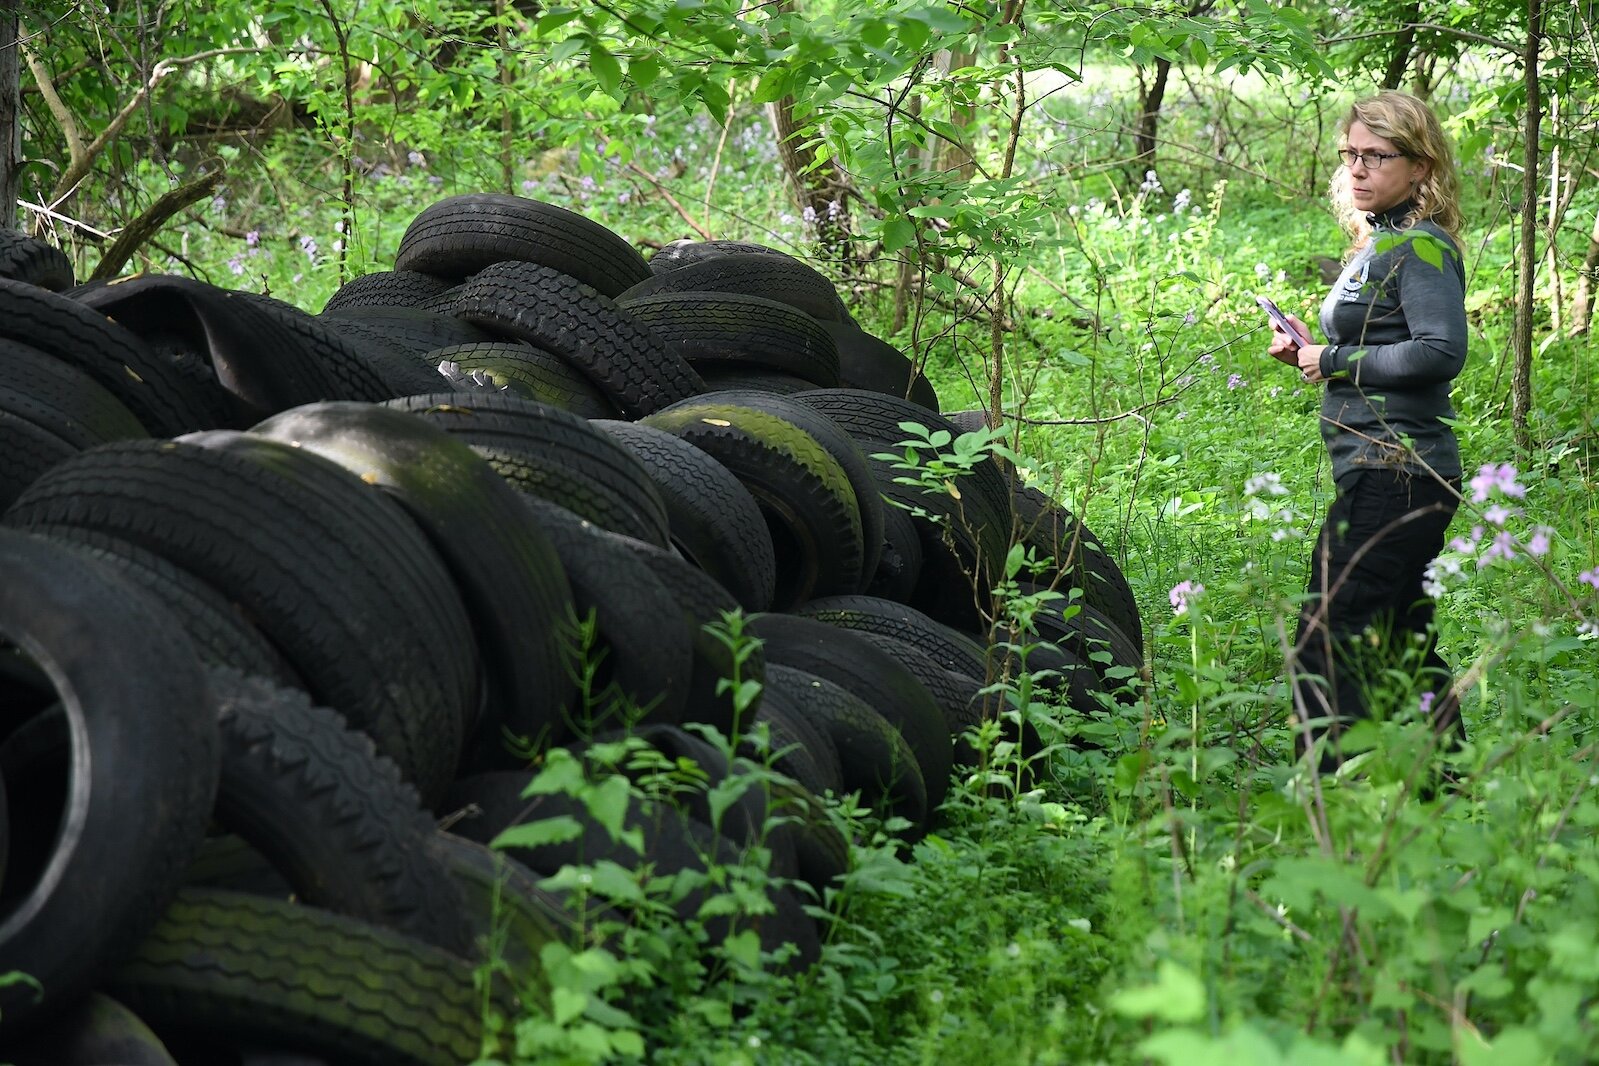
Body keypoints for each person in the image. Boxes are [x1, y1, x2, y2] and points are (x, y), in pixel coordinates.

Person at [1265, 90, 1468, 770]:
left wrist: (1335, 358)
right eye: (1350, 154)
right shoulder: (1380, 242)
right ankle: (1452, 789)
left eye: (1375, 156)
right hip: (1382, 469)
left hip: (1400, 472)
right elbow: (1381, 343)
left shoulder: (1422, 246)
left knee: (1327, 637)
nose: (1356, 169)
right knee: (1399, 637)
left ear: (1419, 166)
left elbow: (1441, 352)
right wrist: (1309, 351)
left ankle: (1332, 798)